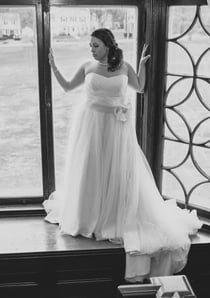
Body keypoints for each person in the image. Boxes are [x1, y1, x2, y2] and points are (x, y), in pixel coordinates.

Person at [43, 28, 202, 282]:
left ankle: (113, 215)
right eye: (90, 45)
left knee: (119, 173)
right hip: (92, 125)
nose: (91, 49)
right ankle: (89, 216)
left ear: (107, 45)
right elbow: (66, 87)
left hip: (117, 128)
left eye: (95, 45)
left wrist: (141, 65)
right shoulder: (87, 66)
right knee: (91, 170)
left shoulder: (125, 66)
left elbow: (139, 87)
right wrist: (53, 66)